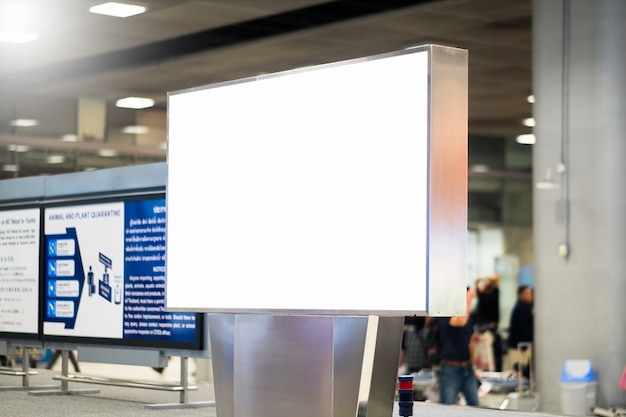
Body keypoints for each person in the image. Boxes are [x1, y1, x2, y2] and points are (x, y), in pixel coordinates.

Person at [437, 288, 480, 406]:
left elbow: (470, 341)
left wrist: (474, 365)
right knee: (447, 407)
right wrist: (469, 297)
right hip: (450, 368)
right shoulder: (446, 313)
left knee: (475, 406)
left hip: (467, 368)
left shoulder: (468, 316)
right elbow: (460, 321)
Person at [472, 274, 503, 371]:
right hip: (490, 329)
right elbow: (497, 281)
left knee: (485, 355)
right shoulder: (495, 295)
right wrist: (489, 279)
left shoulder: (482, 297)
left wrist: (483, 279)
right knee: (495, 355)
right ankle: (496, 370)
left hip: (482, 329)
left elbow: (477, 283)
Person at [507, 285, 534, 377]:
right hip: (518, 347)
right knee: (518, 374)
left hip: (523, 346)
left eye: (531, 293)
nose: (530, 296)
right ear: (520, 295)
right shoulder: (520, 309)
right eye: (527, 293)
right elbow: (524, 329)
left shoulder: (526, 308)